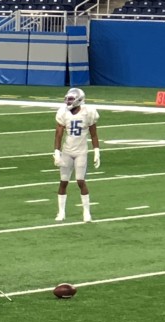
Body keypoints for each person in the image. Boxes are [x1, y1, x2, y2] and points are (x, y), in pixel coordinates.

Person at [53, 88, 100, 223]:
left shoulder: (88, 112)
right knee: (63, 182)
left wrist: (97, 150)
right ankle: (61, 212)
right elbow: (58, 134)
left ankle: (86, 212)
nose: (68, 101)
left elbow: (94, 134)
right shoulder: (63, 112)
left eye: (71, 99)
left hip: (81, 152)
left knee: (80, 181)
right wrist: (57, 151)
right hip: (67, 151)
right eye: (68, 99)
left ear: (79, 100)